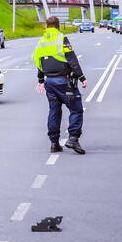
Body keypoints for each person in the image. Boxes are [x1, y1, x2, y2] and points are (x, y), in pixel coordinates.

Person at [33, 16, 87, 154]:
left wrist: (40, 81)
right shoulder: (61, 38)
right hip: (64, 81)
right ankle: (73, 138)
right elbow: (71, 58)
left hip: (49, 82)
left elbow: (39, 63)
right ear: (59, 26)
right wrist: (82, 77)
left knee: (54, 111)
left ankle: (54, 143)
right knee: (76, 109)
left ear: (46, 26)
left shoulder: (41, 41)